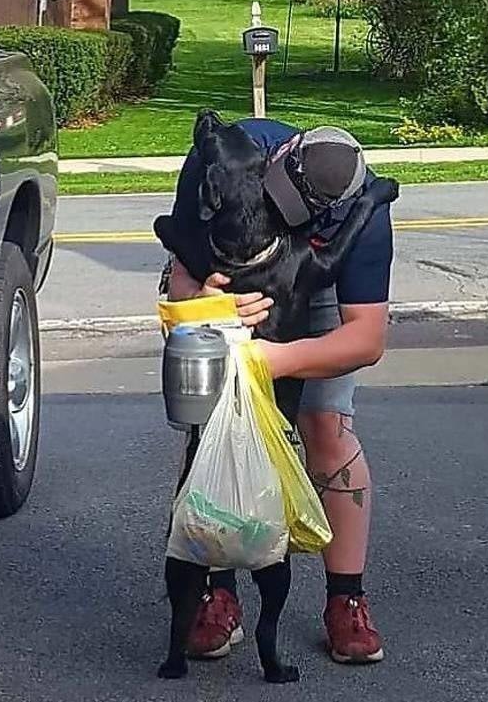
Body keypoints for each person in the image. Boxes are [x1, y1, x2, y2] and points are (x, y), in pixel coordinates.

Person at [159, 116, 396, 665]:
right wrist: (202, 294)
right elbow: (181, 266)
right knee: (214, 431)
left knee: (325, 425)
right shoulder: (224, 152)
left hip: (316, 285)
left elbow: (365, 338)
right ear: (281, 153)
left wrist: (276, 361)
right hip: (228, 280)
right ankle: (216, 592)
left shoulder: (364, 217)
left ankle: (346, 599)